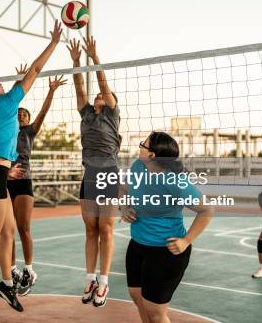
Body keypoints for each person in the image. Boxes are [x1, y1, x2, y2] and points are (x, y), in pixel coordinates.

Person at [0, 20, 62, 322]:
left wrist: (4, 173)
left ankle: (6, 284)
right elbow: (35, 71)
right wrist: (54, 43)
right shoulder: (4, 103)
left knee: (8, 233)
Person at [122, 132, 213, 323]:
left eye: (143, 144)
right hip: (138, 245)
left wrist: (186, 241)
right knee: (137, 297)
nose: (139, 146)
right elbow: (124, 189)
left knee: (155, 313)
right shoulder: (138, 166)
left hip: (166, 251)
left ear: (152, 155)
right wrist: (124, 207)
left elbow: (206, 210)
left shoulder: (174, 181)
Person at [68, 36, 121, 307]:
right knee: (90, 230)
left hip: (109, 173)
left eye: (104, 95)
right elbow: (80, 88)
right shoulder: (86, 113)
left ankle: (104, 282)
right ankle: (89, 278)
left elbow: (102, 84)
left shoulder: (112, 115)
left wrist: (95, 58)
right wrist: (77, 62)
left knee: (106, 229)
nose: (99, 95)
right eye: (97, 96)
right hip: (89, 175)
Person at [9, 70, 67, 296]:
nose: (21, 114)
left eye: (25, 113)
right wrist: (18, 82)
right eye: (19, 112)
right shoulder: (7, 130)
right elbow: (10, 101)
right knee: (7, 231)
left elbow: (43, 112)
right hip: (4, 181)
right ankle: (12, 270)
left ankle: (29, 269)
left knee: (23, 227)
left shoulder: (29, 132)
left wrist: (51, 91)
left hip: (23, 182)